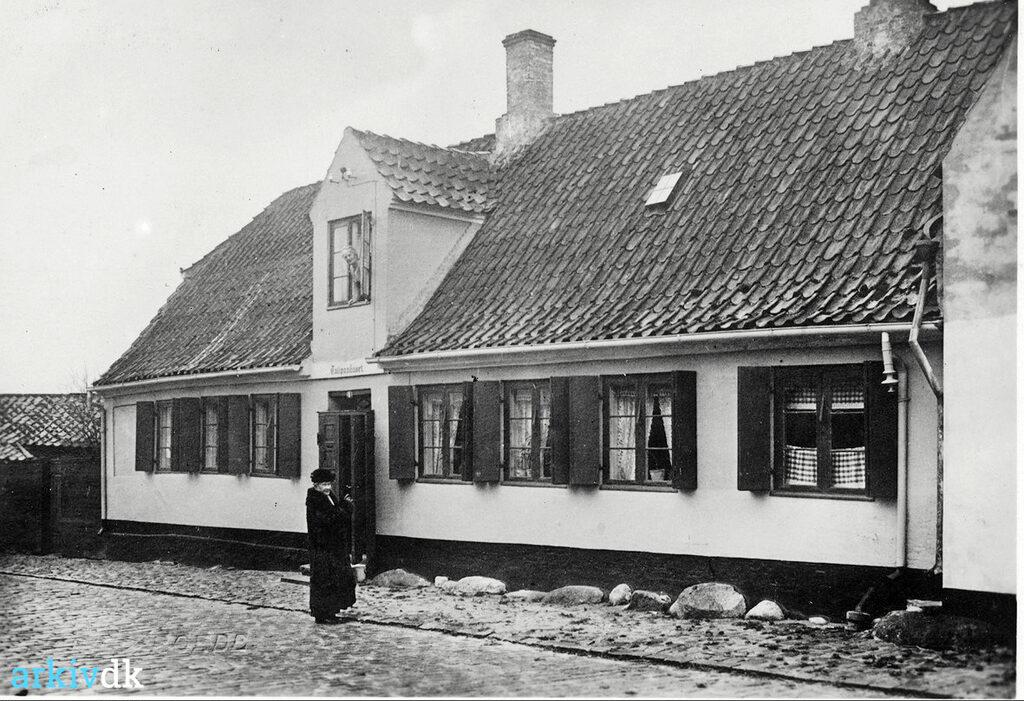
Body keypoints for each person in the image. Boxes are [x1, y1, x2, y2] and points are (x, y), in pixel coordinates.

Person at [306, 468, 357, 624]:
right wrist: (345, 508)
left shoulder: (329, 496)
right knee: (323, 581)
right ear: (316, 485)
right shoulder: (314, 500)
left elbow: (335, 513)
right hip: (322, 547)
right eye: (324, 484)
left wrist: (343, 506)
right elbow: (329, 519)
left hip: (334, 547)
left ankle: (331, 611)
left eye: (329, 484)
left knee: (336, 579)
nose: (327, 487)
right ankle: (321, 614)